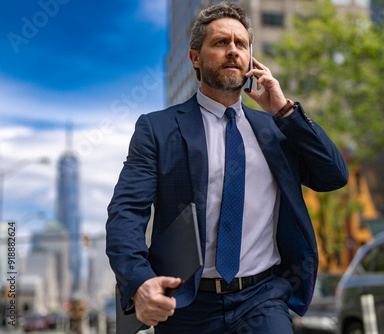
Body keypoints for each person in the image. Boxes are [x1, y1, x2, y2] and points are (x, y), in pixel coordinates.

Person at [106, 2, 349, 333]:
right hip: (187, 305)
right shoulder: (157, 129)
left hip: (262, 298)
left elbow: (334, 175)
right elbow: (126, 212)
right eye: (220, 43)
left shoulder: (277, 128)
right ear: (195, 57)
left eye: (241, 44)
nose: (232, 51)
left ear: (251, 58)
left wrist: (284, 110)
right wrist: (139, 280)